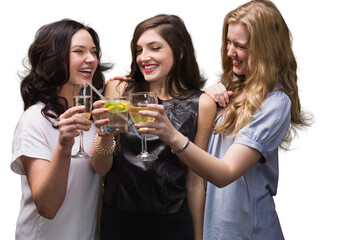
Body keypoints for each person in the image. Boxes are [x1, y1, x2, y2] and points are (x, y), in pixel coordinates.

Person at [135, 1, 311, 239]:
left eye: (240, 46)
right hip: (215, 228)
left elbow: (224, 173)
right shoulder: (231, 89)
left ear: (266, 49)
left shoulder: (276, 103)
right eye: (228, 42)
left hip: (247, 230)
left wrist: (172, 136)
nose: (229, 52)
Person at [91, 14, 216, 240]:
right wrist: (104, 135)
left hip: (172, 224)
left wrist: (199, 237)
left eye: (155, 48)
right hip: (118, 219)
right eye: (139, 50)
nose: (144, 57)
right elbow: (103, 168)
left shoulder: (203, 104)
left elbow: (195, 182)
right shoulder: (118, 91)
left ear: (179, 52)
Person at [10, 19, 111, 240]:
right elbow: (47, 207)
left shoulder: (91, 116)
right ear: (54, 60)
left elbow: (100, 170)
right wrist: (64, 147)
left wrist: (106, 136)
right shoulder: (34, 120)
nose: (91, 59)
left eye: (94, 52)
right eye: (79, 51)